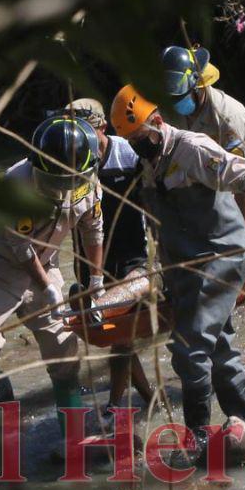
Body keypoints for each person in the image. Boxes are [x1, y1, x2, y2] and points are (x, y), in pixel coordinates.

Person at [109, 84, 245, 463]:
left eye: (140, 137)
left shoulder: (192, 148)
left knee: (190, 350)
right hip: (183, 267)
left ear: (157, 121)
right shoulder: (148, 164)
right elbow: (157, 223)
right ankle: (243, 425)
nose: (137, 146)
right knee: (218, 347)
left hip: (221, 255)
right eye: (130, 141)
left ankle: (197, 441)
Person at [0, 115, 105, 436]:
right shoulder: (15, 184)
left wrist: (96, 281)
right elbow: (20, 245)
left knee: (62, 345)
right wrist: (47, 287)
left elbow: (93, 231)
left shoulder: (89, 183)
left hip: (46, 264)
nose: (61, 187)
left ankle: (74, 432)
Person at [161, 44, 245, 360]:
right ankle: (215, 351)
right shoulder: (171, 110)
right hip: (197, 209)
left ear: (198, 86)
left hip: (235, 202)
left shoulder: (229, 116)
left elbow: (244, 179)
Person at [64, 98, 155, 416]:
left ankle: (117, 404)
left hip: (131, 256)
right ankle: (146, 398)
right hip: (90, 261)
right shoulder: (68, 161)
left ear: (101, 127)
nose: (75, 139)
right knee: (118, 335)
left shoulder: (127, 154)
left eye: (83, 130)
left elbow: (152, 197)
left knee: (119, 333)